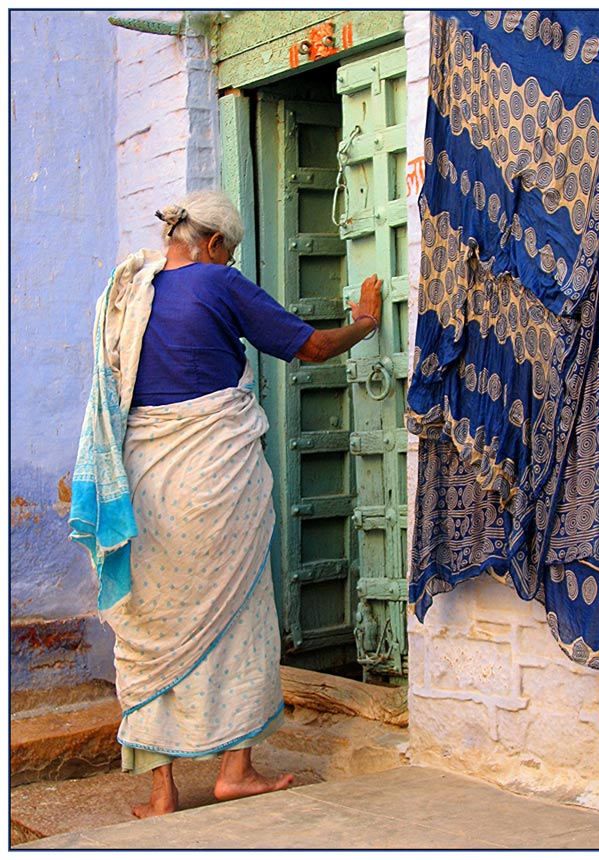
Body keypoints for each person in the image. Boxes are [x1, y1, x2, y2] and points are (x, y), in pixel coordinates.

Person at [70, 189, 382, 818]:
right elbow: (312, 348)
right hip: (213, 481)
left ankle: (162, 794)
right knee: (239, 614)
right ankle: (234, 773)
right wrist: (367, 321)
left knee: (149, 624)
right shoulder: (220, 285)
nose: (230, 262)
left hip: (144, 480)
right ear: (212, 244)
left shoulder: (125, 293)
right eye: (230, 252)